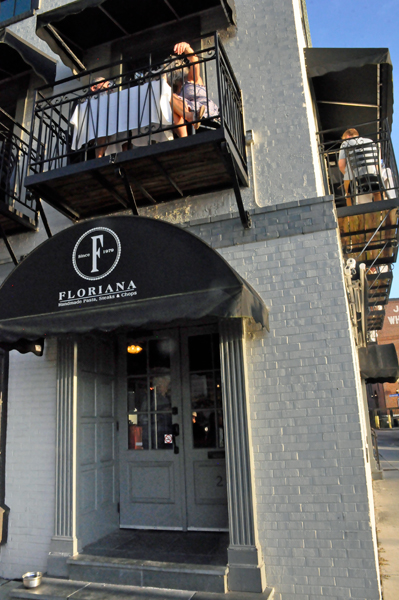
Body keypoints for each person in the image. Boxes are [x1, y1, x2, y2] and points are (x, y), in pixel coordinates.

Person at [169, 41, 219, 138]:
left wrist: (186, 47)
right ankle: (186, 133)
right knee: (169, 97)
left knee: (171, 98)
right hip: (188, 121)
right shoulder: (175, 93)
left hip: (202, 110)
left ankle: (190, 119)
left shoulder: (191, 78)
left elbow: (194, 61)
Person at [338, 128, 382, 204]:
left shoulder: (346, 143)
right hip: (372, 175)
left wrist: (348, 175)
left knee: (348, 194)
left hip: (355, 177)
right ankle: (380, 209)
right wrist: (377, 175)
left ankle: (351, 213)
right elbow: (376, 163)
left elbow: (341, 165)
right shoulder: (370, 141)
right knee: (377, 192)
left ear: (348, 136)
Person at [90, 76, 112, 158]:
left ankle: (101, 155)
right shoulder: (92, 100)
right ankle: (98, 157)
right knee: (102, 132)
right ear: (93, 88)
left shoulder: (107, 98)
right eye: (104, 83)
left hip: (105, 122)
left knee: (108, 135)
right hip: (93, 126)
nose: (107, 85)